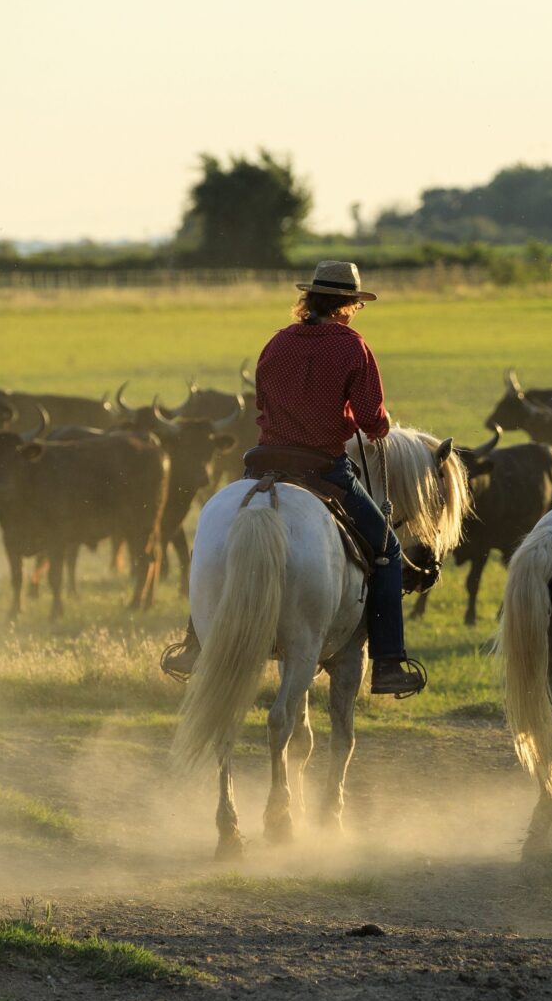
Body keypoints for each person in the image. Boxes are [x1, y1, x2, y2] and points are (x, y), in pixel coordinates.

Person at [161, 261, 427, 696]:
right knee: (388, 550)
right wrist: (376, 424)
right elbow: (371, 421)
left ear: (310, 299)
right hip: (322, 467)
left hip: (263, 461)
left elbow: (261, 402)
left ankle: (194, 644)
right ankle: (388, 663)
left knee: (217, 536)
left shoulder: (277, 342)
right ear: (349, 305)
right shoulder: (353, 347)